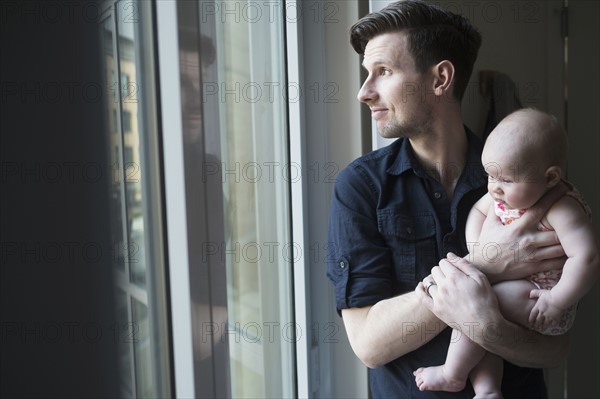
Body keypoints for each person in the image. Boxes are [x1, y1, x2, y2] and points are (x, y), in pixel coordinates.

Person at [327, 1, 570, 397]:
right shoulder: (360, 187)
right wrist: (486, 263)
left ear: (441, 78)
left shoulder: (528, 180)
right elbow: (369, 343)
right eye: (365, 75)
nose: (363, 92)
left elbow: (556, 346)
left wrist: (487, 328)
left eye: (383, 72)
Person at [413, 108, 600, 397]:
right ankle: (487, 389)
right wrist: (480, 252)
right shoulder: (504, 194)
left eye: (507, 180)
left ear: (550, 178)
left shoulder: (563, 208)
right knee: (484, 316)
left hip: (541, 297)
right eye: (490, 176)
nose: (495, 189)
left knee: (477, 304)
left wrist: (558, 300)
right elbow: (478, 209)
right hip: (515, 288)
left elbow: (587, 257)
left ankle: (453, 372)